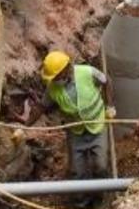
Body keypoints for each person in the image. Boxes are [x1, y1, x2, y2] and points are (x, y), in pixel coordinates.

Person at [40, 50, 110, 179]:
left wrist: (109, 106)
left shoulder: (87, 72)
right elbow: (41, 107)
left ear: (66, 69)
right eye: (53, 78)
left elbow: (106, 82)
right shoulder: (52, 88)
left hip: (97, 125)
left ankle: (102, 195)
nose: (54, 80)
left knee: (101, 166)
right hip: (76, 131)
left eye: (56, 76)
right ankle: (82, 198)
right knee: (77, 172)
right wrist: (25, 126)